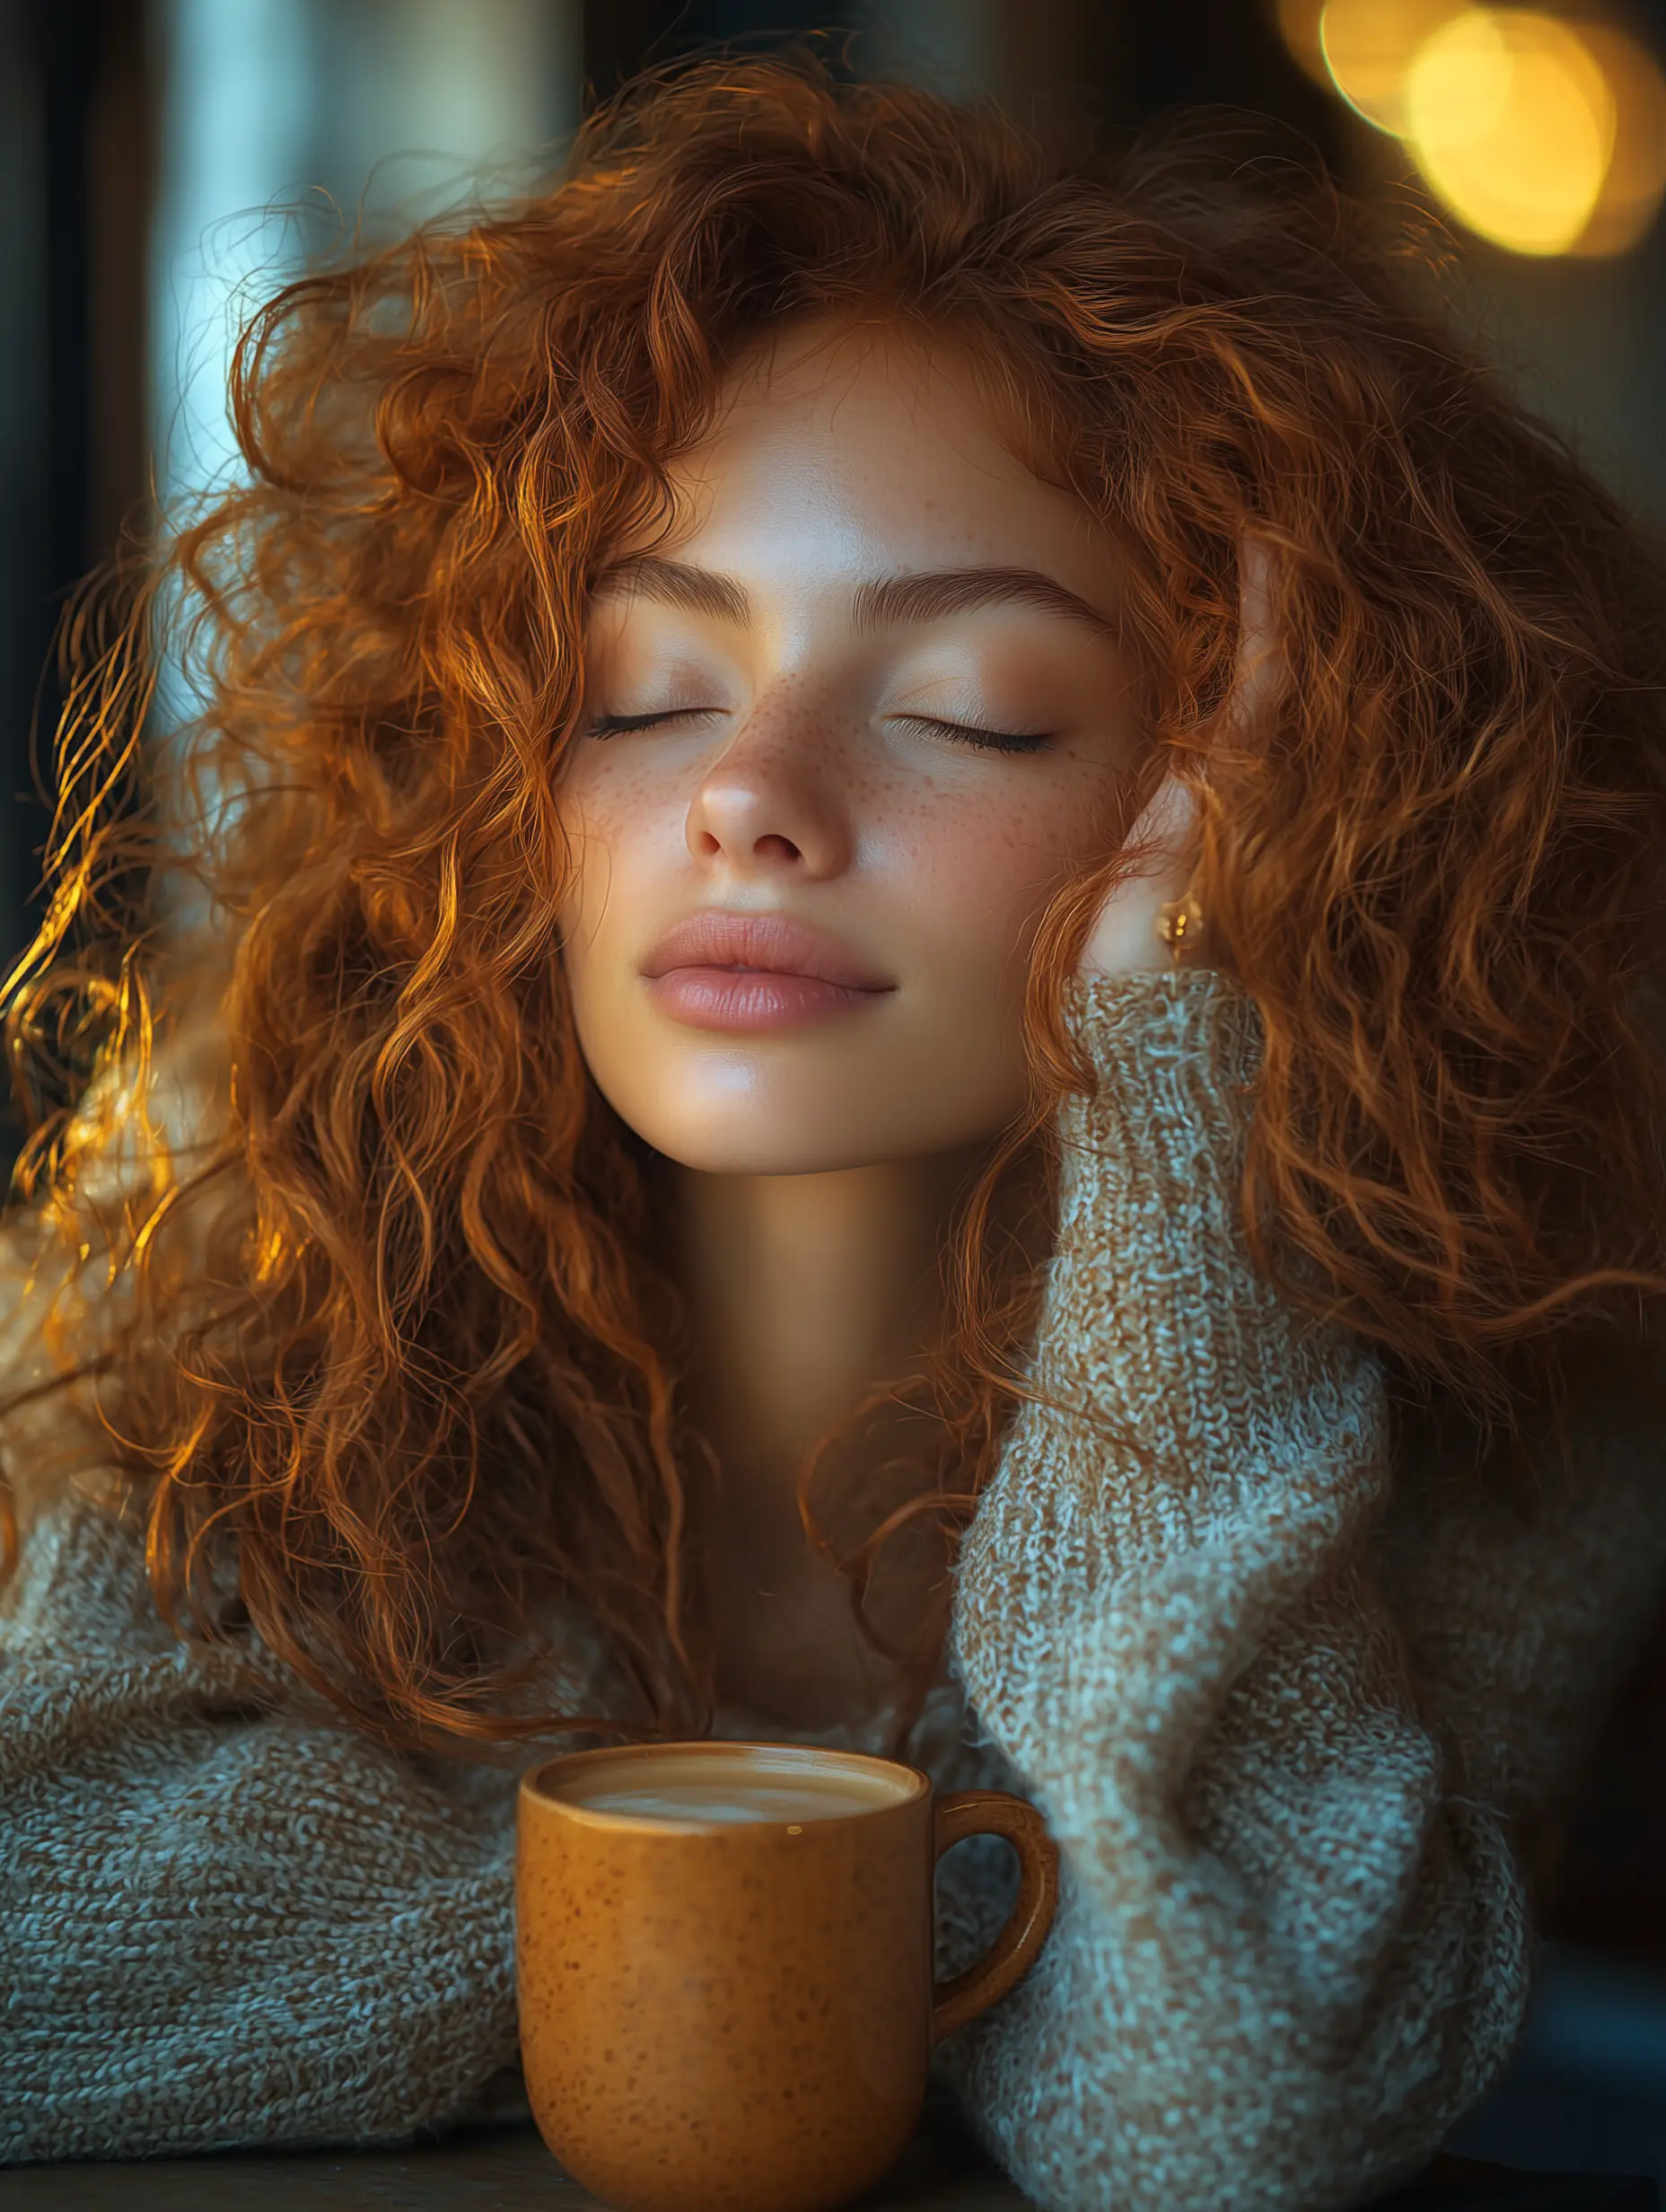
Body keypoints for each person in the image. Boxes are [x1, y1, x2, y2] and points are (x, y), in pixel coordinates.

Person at [4, 53, 1666, 2212]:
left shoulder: (1498, 1405)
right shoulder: (238, 1251)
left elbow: (1221, 2102)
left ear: (1285, 832)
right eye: (641, 688)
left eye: (972, 704)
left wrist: (1174, 1070)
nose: (751, 791)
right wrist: (874, 1910)